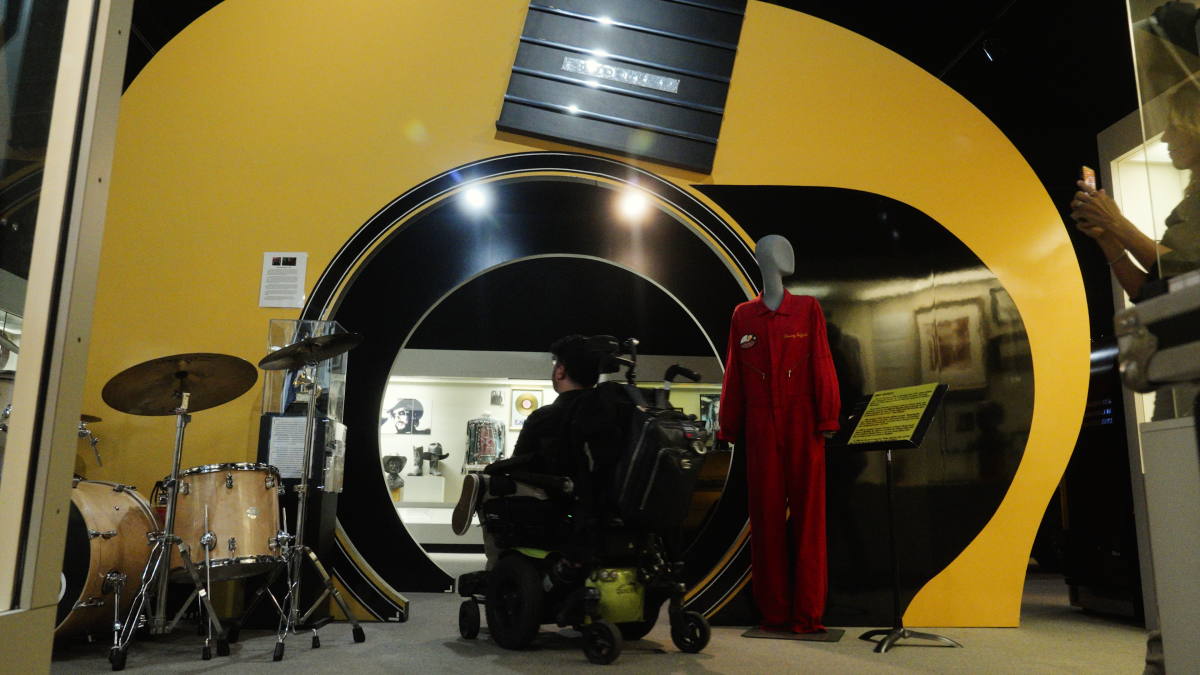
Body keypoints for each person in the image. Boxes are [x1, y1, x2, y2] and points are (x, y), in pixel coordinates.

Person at [1070, 86, 1200, 420]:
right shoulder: (1188, 205)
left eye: (1173, 126)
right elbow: (1151, 293)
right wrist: (1109, 241)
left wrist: (1117, 223)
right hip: (1181, 375)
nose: (1166, 138)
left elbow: (1184, 275)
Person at [450, 335, 600, 566]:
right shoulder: (611, 415)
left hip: (555, 500)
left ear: (560, 371)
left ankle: (499, 567)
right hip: (601, 505)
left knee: (489, 484)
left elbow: (518, 463)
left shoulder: (545, 417)